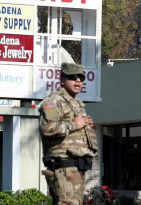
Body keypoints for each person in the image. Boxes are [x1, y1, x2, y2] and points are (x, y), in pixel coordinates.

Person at [40, 62, 98, 205]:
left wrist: (87, 127)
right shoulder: (54, 101)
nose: (78, 80)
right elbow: (46, 128)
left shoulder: (76, 104)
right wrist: (74, 125)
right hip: (64, 168)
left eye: (81, 78)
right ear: (62, 79)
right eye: (73, 77)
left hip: (77, 167)